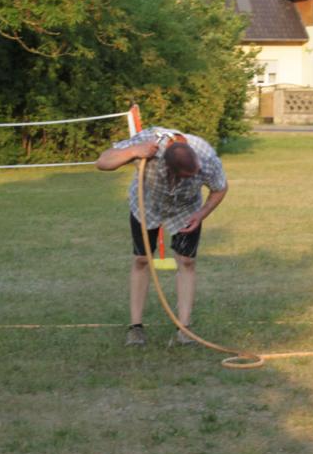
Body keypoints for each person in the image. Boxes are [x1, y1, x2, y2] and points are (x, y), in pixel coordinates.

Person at [96, 126, 228, 346]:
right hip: (147, 203)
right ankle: (136, 328)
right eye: (184, 177)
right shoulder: (150, 140)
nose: (190, 179)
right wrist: (133, 151)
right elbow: (102, 162)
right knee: (142, 259)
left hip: (186, 208)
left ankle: (184, 328)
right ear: (168, 168)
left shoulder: (206, 157)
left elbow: (220, 188)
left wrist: (201, 214)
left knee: (187, 261)